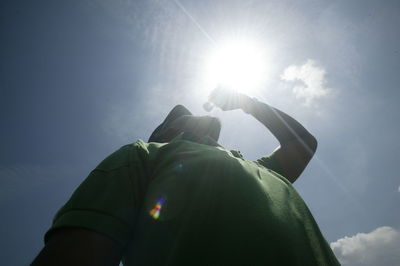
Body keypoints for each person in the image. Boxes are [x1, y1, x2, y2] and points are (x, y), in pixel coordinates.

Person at [32, 87, 340, 265]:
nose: (192, 112)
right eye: (181, 113)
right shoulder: (144, 155)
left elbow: (303, 143)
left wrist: (249, 104)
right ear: (169, 132)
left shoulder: (262, 168)